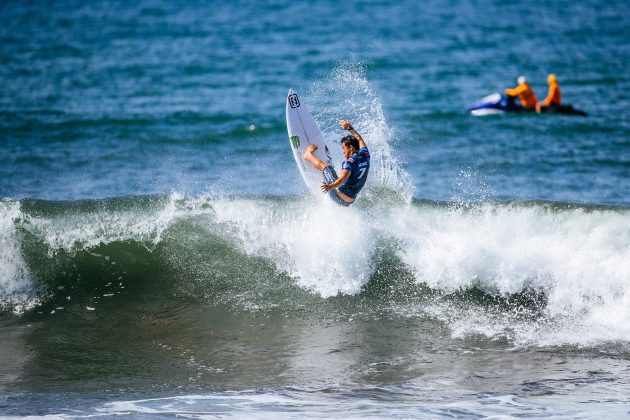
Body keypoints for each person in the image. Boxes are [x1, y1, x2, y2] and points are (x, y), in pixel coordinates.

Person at [303, 119, 370, 207]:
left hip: (337, 195)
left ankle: (308, 155)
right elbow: (359, 139)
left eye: (343, 148)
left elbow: (343, 179)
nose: (343, 151)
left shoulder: (349, 162)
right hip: (349, 201)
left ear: (350, 147)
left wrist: (330, 187)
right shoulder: (365, 154)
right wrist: (350, 128)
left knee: (326, 167)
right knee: (338, 178)